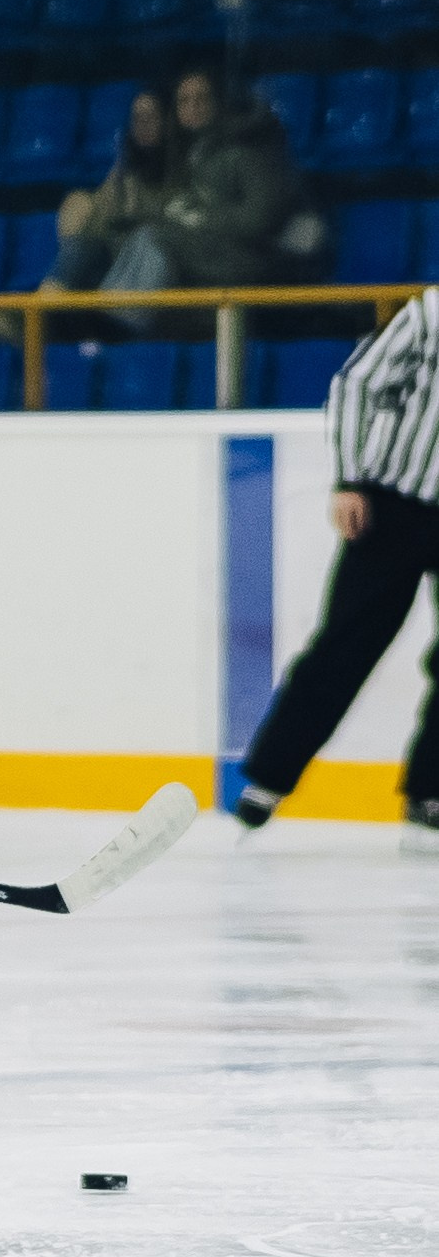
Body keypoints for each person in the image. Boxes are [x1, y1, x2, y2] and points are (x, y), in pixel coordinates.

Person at [234, 288, 439, 844]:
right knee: (345, 645)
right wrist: (349, 477)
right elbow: (358, 383)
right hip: (395, 503)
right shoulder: (431, 310)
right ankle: (267, 780)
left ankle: (430, 790)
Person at [158, 67, 310, 291]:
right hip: (216, 258)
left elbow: (258, 221)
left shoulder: (249, 146)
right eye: (184, 101)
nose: (193, 107)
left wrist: (200, 218)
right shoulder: (191, 151)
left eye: (202, 98)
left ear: (219, 101)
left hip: (259, 265)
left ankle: (120, 319)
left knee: (154, 238)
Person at [44, 86, 178, 297]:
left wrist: (131, 212)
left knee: (85, 251)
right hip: (110, 260)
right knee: (81, 240)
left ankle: (37, 316)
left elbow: (166, 222)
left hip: (145, 269)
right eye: (137, 117)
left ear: (168, 121)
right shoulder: (124, 168)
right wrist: (82, 206)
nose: (142, 124)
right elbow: (101, 214)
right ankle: (39, 311)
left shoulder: (179, 168)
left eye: (150, 116)